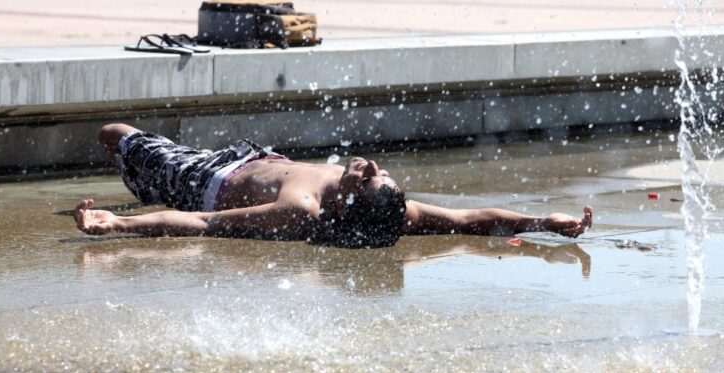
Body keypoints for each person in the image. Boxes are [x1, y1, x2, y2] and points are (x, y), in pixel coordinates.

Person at [74, 123, 592, 248]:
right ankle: (135, 184)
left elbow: (203, 222)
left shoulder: (298, 210)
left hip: (203, 182)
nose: (369, 167)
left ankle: (131, 186)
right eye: (377, 173)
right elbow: (466, 221)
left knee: (116, 134)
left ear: (346, 207)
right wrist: (540, 221)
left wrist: (121, 224)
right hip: (255, 158)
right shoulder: (395, 209)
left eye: (367, 179)